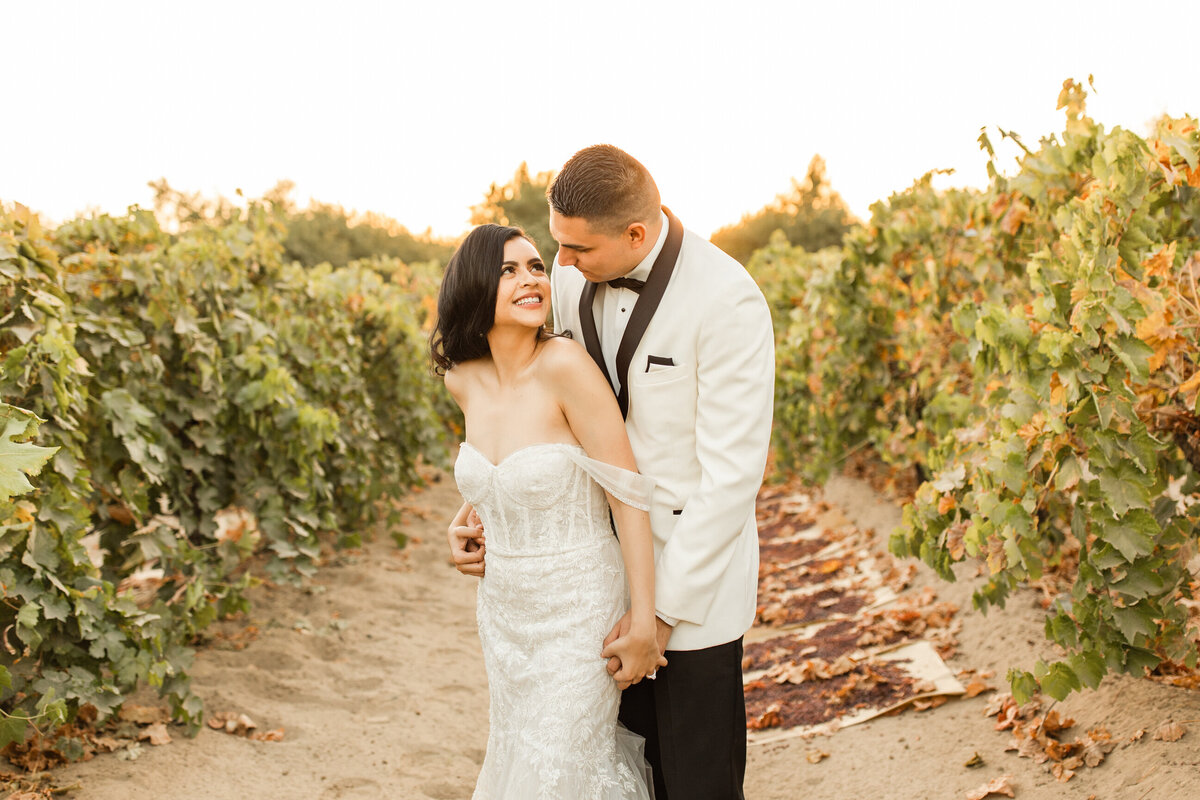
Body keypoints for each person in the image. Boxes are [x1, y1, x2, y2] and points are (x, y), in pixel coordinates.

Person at [449, 145, 775, 800]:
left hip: (690, 588)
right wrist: (484, 504)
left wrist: (660, 616)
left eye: (576, 250)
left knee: (696, 782)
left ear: (635, 233)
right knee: (612, 770)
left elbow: (731, 480)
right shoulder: (567, 281)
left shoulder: (727, 300)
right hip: (589, 593)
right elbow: (536, 414)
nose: (560, 264)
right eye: (557, 247)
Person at [433, 223, 666, 799]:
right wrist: (466, 515)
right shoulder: (463, 380)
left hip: (579, 607)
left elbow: (627, 493)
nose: (530, 279)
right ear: (475, 286)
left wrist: (644, 619)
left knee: (559, 769)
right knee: (518, 759)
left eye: (536, 267)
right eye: (509, 270)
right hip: (505, 612)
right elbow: (507, 464)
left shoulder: (564, 365)